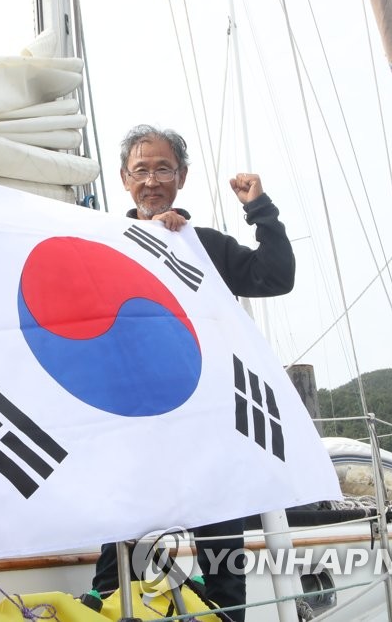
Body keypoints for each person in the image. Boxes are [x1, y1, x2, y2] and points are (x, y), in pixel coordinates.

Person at [91, 124, 296, 622]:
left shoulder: (205, 247)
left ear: (181, 177)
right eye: (141, 170)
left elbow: (276, 276)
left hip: (209, 430)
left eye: (163, 168)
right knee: (115, 564)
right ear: (124, 179)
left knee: (224, 562)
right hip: (135, 428)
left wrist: (260, 209)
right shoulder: (101, 243)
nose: (152, 180)